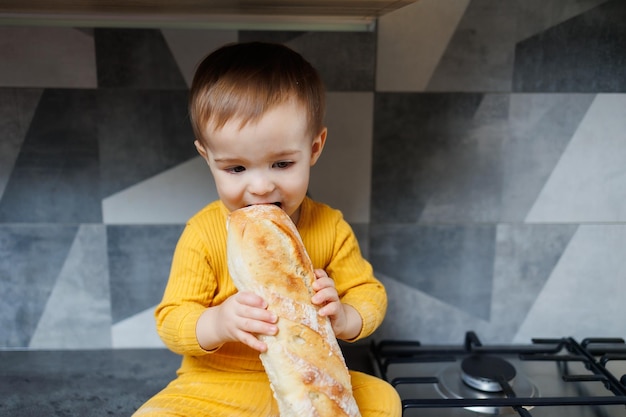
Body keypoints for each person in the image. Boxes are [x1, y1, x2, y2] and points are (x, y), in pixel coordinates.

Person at [133, 41, 401, 417]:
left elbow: (369, 293)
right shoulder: (204, 232)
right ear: (207, 158)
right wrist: (219, 321)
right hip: (216, 385)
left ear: (314, 148)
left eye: (281, 164)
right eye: (236, 169)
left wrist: (346, 316)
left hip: (311, 379)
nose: (260, 187)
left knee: (384, 398)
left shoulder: (330, 226)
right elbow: (172, 319)